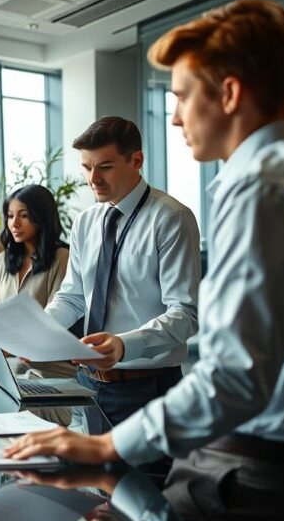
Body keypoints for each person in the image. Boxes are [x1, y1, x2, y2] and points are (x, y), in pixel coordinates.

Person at [5, 0, 284, 521]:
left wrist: (107, 446)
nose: (175, 116)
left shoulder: (262, 188)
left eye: (180, 95)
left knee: (47, 517)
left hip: (252, 480)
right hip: (271, 469)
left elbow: (232, 378)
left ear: (227, 94)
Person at [43, 116, 200, 426]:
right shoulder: (86, 222)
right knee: (90, 475)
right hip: (87, 383)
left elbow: (185, 313)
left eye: (105, 167)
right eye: (87, 168)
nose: (93, 179)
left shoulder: (170, 218)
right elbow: (73, 297)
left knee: (144, 477)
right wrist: (37, 331)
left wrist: (124, 345)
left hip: (146, 388)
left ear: (136, 160)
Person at [0, 185, 69, 363]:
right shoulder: (1, 261)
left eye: (24, 215)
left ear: (41, 217)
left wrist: (5, 349)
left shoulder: (63, 258)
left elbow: (53, 322)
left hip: (49, 367)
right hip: (6, 366)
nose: (14, 223)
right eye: (10, 216)